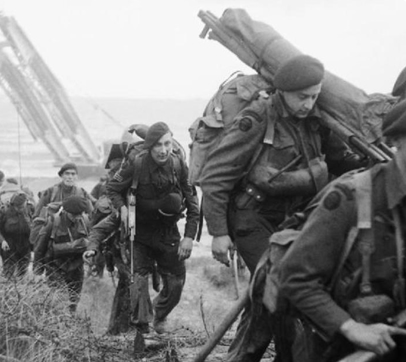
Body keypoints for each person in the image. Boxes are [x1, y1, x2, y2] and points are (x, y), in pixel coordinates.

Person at [199, 55, 365, 361]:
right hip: (252, 217)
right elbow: (215, 176)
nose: (308, 104)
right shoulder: (257, 118)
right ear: (283, 91)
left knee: (266, 298)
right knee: (281, 290)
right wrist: (219, 233)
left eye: (314, 96)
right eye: (302, 97)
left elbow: (339, 162)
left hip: (291, 222)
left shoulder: (316, 121)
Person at [279, 91, 406, 362]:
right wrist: (352, 329)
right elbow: (294, 277)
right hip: (345, 346)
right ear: (395, 140)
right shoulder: (350, 198)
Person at [104, 121, 200, 334]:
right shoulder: (136, 163)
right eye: (158, 145)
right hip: (139, 233)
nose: (164, 150)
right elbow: (112, 188)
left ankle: (157, 314)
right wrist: (122, 209)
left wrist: (189, 237)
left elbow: (193, 203)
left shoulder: (178, 165)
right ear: (149, 146)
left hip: (168, 233)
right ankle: (143, 330)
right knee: (138, 282)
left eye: (167, 144)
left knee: (176, 284)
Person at [34, 195, 92, 313]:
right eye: (74, 215)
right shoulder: (53, 222)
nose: (77, 218)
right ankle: (57, 323)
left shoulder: (85, 221)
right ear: (66, 211)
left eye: (79, 214)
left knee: (74, 299)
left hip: (76, 266)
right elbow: (40, 248)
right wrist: (38, 272)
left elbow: (91, 241)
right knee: (59, 299)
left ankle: (70, 321)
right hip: (55, 266)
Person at [0, 191, 33, 279]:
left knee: (23, 270)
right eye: (17, 207)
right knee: (9, 271)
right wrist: (2, 241)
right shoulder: (4, 210)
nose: (19, 209)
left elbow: (36, 223)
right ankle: (8, 289)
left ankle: (21, 289)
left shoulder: (30, 208)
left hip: (25, 244)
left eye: (21, 207)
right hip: (9, 244)